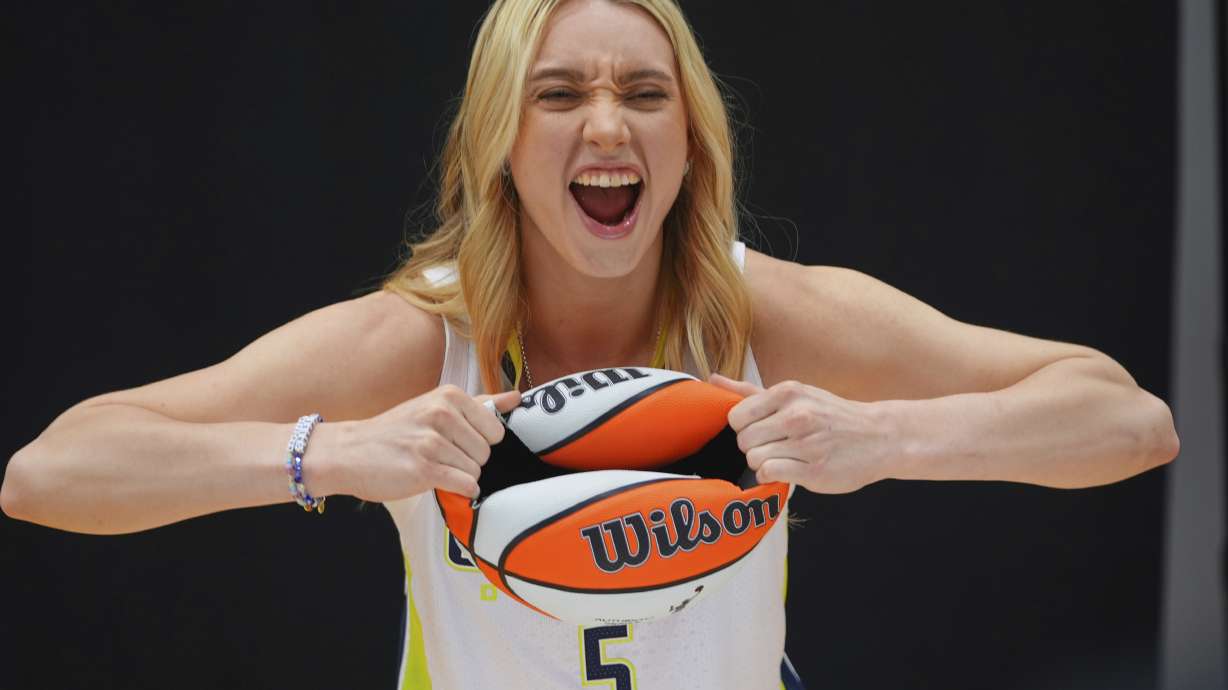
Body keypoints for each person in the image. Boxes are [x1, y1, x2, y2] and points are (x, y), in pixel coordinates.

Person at [2, 0, 1179, 688]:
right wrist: (330, 454)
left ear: (691, 140)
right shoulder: (421, 344)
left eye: (645, 94)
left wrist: (887, 435)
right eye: (559, 93)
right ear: (501, 141)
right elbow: (50, 473)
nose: (607, 124)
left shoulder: (764, 315)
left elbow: (1127, 422)